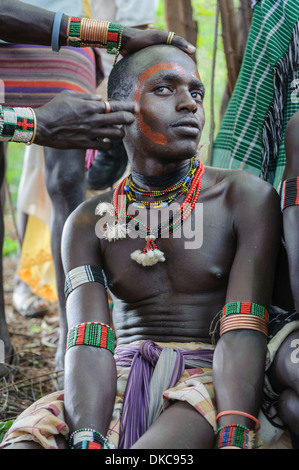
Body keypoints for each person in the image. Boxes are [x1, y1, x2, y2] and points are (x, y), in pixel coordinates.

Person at [2, 44, 296, 450]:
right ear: (122, 111)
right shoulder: (89, 221)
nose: (189, 104)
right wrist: (88, 435)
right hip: (111, 382)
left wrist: (234, 430)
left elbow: (244, 328)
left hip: (212, 383)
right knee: (26, 442)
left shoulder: (242, 198)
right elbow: (89, 340)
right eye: (164, 89)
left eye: (196, 92)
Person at [0, 0, 195, 378]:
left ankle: (73, 327)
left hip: (57, 36)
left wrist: (114, 37)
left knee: (66, 181)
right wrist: (32, 123)